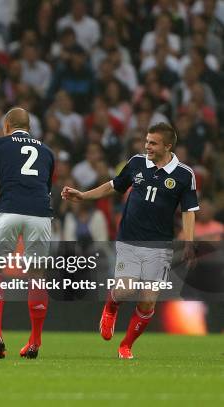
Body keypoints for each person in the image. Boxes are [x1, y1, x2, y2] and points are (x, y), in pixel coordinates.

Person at [62, 122, 198, 359]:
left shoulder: (184, 175)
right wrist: (84, 195)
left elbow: (189, 210)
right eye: (146, 141)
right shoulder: (136, 163)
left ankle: (126, 345)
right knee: (125, 290)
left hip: (160, 246)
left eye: (153, 143)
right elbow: (114, 186)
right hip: (130, 239)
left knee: (147, 302)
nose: (148, 147)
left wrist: (188, 241)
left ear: (168, 145)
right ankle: (111, 306)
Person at [0, 107, 55, 359]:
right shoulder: (47, 152)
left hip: (8, 211)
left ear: (7, 125)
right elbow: (45, 187)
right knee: (37, 274)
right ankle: (36, 342)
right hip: (41, 214)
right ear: (29, 127)